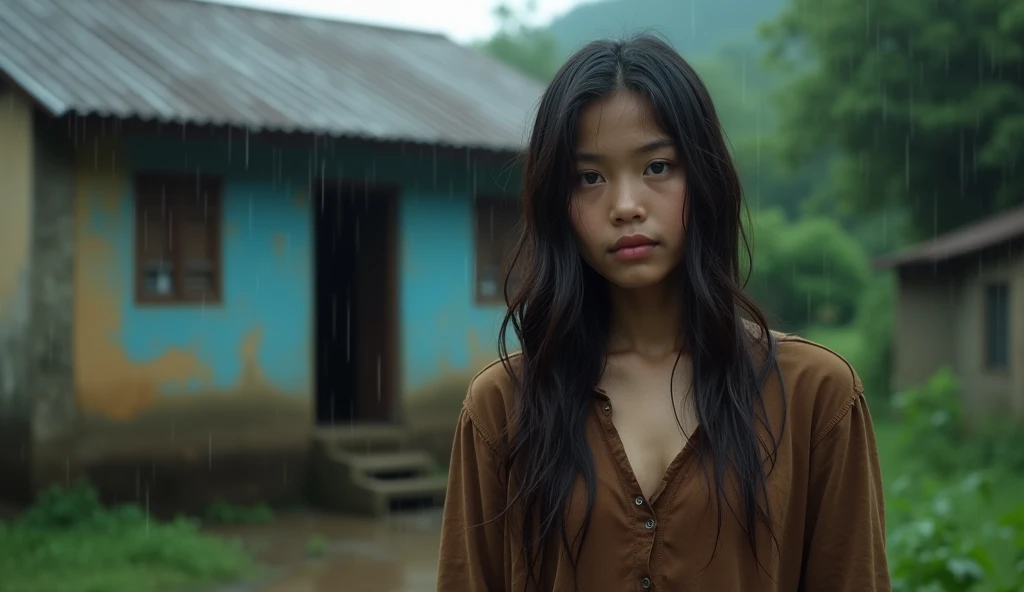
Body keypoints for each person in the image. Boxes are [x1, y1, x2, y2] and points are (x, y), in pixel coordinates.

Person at [436, 34, 890, 592]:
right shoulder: (503, 406)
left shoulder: (817, 396)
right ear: (558, 203)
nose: (626, 205)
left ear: (704, 178)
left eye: (656, 166)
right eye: (590, 177)